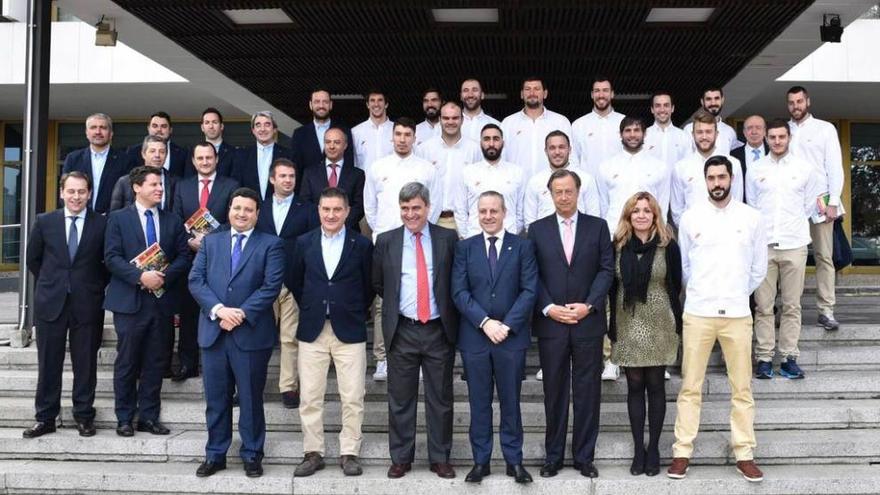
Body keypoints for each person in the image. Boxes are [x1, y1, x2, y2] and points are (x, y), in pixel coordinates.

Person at [668, 155, 766, 483]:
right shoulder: (691, 218)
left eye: (722, 177)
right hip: (698, 312)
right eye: (711, 178)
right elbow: (683, 268)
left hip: (737, 314)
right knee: (690, 387)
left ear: (732, 179)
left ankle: (744, 453)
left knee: (742, 388)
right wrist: (701, 293)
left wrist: (737, 292)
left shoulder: (752, 218)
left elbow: (758, 269)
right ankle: (682, 451)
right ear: (705, 180)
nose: (717, 184)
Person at [188, 187, 285, 478]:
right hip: (214, 333)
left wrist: (240, 313)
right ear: (229, 210)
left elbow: (271, 286)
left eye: (248, 210)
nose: (241, 214)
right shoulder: (211, 242)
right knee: (216, 400)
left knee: (251, 399)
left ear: (257, 214)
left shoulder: (271, 244)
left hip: (250, 334)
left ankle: (252, 454)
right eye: (236, 208)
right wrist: (219, 310)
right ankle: (215, 454)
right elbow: (196, 280)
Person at [528, 169, 614, 479]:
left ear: (578, 192)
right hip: (552, 325)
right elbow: (531, 275)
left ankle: (584, 457)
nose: (564, 197)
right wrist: (549, 307)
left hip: (587, 323)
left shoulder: (598, 227)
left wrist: (588, 306)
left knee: (588, 391)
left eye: (569, 191)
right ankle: (553, 457)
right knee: (554, 391)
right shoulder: (536, 230)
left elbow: (606, 270)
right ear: (550, 195)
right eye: (558, 192)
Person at [372, 182, 459, 479]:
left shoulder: (447, 238)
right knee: (400, 399)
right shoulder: (386, 241)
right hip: (403, 329)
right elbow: (380, 283)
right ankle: (401, 457)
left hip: (438, 329)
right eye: (405, 208)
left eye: (416, 208)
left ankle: (440, 457)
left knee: (441, 398)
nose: (411, 214)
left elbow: (454, 281)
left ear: (428, 208)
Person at [452, 191, 537, 484]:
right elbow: (459, 292)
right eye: (483, 211)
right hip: (475, 338)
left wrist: (507, 325)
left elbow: (529, 290)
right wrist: (485, 322)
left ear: (504, 213)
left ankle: (514, 461)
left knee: (511, 402)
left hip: (511, 339)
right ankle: (481, 461)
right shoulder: (465, 248)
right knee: (479, 403)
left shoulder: (522, 247)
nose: (488, 216)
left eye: (493, 211)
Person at [288, 187, 374, 478]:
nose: (331, 215)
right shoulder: (303, 242)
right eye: (326, 209)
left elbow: (369, 287)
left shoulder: (361, 245)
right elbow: (296, 281)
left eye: (337, 209)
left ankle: (349, 452)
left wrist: (350, 310)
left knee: (353, 395)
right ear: (319, 210)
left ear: (348, 212)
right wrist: (314, 306)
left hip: (349, 329)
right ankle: (313, 452)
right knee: (310, 396)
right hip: (313, 329)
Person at [103, 166, 190, 438]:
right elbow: (111, 257)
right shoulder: (118, 218)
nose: (159, 189)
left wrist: (162, 277)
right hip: (129, 301)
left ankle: (149, 417)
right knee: (128, 361)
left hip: (161, 302)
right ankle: (125, 417)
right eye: (153, 184)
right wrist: (141, 277)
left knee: (156, 361)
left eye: (161, 185)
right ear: (137, 187)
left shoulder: (173, 220)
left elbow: (184, 257)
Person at [24, 171, 108, 439]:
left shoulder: (101, 224)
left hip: (87, 303)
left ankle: (84, 415)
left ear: (89, 194)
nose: (76, 197)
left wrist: (91, 286)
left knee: (85, 364)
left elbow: (106, 263)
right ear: (62, 192)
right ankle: (46, 418)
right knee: (48, 363)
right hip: (51, 303)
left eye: (81, 192)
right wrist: (54, 283)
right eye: (71, 191)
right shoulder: (45, 221)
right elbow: (33, 259)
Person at [608, 191, 682, 477]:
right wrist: (610, 325)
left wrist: (676, 320)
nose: (641, 215)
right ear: (628, 215)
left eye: (647, 210)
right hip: (627, 321)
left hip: (660, 321)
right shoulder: (618, 245)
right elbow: (612, 287)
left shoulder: (667, 244)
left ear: (655, 215)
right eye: (636, 210)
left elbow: (675, 283)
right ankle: (639, 449)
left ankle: (654, 450)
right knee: (634, 386)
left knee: (656, 386)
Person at [365, 118, 444, 381]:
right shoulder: (377, 167)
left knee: (422, 293)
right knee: (384, 303)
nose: (402, 139)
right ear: (392, 137)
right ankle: (383, 358)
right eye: (397, 134)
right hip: (388, 242)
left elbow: (436, 201)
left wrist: (421, 232)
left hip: (420, 241)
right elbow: (370, 207)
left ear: (414, 138)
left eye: (407, 134)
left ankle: (420, 355)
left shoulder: (426, 169)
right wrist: (383, 234)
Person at [596, 116, 671, 381]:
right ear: (621, 134)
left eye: (636, 130)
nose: (632, 134)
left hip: (648, 239)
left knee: (651, 296)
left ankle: (653, 354)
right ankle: (612, 357)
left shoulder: (659, 167)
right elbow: (603, 203)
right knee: (613, 299)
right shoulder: (607, 167)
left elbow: (661, 202)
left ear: (644, 134)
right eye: (627, 130)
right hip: (617, 238)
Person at [747, 120, 817, 379]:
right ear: (765, 138)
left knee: (792, 305)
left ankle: (788, 357)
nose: (777, 141)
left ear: (789, 138)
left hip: (794, 244)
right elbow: (753, 206)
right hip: (764, 245)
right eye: (772, 137)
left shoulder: (804, 169)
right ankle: (764, 358)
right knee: (763, 306)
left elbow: (809, 206)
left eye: (781, 137)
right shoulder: (755, 169)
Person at [170, 142, 240, 382]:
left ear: (216, 159)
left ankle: (222, 367)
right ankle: (188, 364)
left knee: (220, 308)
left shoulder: (231, 185)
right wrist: (190, 240)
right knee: (189, 313)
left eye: (209, 157)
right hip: (190, 256)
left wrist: (210, 241)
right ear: (193, 161)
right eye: (200, 158)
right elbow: (175, 218)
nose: (205, 162)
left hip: (221, 258)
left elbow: (235, 219)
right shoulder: (182, 186)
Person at [255, 158, 319, 408]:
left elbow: (314, 244)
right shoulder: (259, 208)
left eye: (292, 176)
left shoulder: (308, 208)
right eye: (282, 176)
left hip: (294, 281)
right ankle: (252, 385)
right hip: (262, 283)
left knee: (290, 338)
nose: (288, 180)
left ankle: (289, 387)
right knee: (258, 338)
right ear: (272, 179)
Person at [787, 85, 844, 331]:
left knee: (824, 256)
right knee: (792, 260)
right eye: (791, 102)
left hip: (821, 201)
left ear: (807, 102)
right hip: (793, 205)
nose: (795, 106)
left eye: (799, 101)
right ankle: (791, 309)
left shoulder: (825, 129)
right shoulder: (783, 131)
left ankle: (826, 309)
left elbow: (835, 167)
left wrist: (833, 202)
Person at [416, 101, 481, 233]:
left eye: (455, 118)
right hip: (433, 220)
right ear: (439, 120)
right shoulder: (425, 149)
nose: (450, 122)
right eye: (446, 118)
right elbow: (418, 187)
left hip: (466, 222)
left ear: (462, 120)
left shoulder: (475, 149)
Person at [670, 109, 744, 227]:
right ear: (693, 134)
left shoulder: (733, 164)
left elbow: (737, 202)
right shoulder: (681, 167)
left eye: (709, 132)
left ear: (717, 134)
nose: (704, 136)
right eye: (699, 132)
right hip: (693, 235)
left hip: (726, 232)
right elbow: (677, 211)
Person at [454, 124, 525, 238]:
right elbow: (460, 210)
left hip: (509, 240)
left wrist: (511, 236)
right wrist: (468, 237)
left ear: (503, 143)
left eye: (496, 139)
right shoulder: (468, 172)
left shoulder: (517, 172)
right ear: (480, 143)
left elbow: (521, 212)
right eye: (486, 139)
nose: (491, 144)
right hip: (475, 239)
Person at [523, 130, 600, 228]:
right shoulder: (535, 181)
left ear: (570, 149)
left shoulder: (586, 179)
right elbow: (530, 221)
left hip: (580, 238)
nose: (557, 152)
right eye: (552, 148)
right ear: (546, 151)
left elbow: (593, 217)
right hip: (544, 240)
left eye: (561, 147)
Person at [501, 77, 573, 177]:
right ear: (522, 94)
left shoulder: (560, 122)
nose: (532, 93)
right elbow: (501, 157)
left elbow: (571, 157)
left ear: (545, 93)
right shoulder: (508, 123)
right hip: (517, 185)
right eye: (527, 89)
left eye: (537, 89)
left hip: (553, 185)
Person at [61, 113, 131, 214]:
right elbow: (65, 189)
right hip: (80, 218)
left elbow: (127, 195)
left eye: (103, 127)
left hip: (111, 221)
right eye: (93, 127)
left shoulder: (125, 160)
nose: (98, 132)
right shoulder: (73, 158)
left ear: (111, 133)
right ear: (87, 133)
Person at [299, 127, 365, 230]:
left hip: (348, 232)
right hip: (317, 232)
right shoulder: (310, 173)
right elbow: (305, 204)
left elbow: (359, 207)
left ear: (345, 145)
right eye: (328, 142)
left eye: (337, 142)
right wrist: (325, 225)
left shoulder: (357, 174)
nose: (332, 146)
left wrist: (339, 225)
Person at [290, 88, 355, 173]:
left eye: (325, 102)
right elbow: (295, 168)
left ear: (331, 105)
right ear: (310, 105)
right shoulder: (299, 134)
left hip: (338, 186)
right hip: (308, 185)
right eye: (317, 102)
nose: (321, 106)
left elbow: (349, 164)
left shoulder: (344, 132)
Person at [572, 76, 626, 177]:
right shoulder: (578, 125)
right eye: (597, 91)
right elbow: (574, 159)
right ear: (592, 95)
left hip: (619, 185)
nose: (601, 95)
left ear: (612, 94)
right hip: (589, 186)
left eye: (605, 90)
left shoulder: (625, 122)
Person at [233, 111, 293, 200]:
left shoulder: (288, 155)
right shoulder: (242, 155)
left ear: (274, 129)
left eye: (267, 124)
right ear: (253, 130)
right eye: (258, 125)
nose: (262, 129)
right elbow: (237, 185)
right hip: (250, 209)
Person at [109, 135, 177, 212]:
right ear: (143, 154)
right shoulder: (125, 182)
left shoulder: (176, 182)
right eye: (152, 151)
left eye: (162, 152)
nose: (157, 155)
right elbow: (114, 215)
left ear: (166, 155)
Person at [126, 111, 189, 178]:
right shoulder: (133, 151)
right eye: (155, 126)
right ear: (148, 128)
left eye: (163, 126)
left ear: (170, 130)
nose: (159, 129)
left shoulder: (183, 153)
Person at [683, 86, 741, 153]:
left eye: (716, 98)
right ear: (702, 102)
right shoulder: (689, 129)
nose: (713, 103)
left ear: (722, 100)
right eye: (708, 99)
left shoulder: (730, 131)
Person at [352, 89, 394, 174]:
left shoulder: (397, 130)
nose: (376, 104)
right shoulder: (355, 132)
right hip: (365, 185)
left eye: (380, 100)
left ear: (386, 104)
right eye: (372, 100)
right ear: (367, 104)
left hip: (392, 184)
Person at [644, 91, 690, 168]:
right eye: (658, 106)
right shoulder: (644, 136)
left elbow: (688, 165)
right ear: (652, 109)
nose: (662, 110)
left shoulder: (684, 136)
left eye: (666, 105)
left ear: (672, 108)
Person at [730, 115, 768, 195]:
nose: (754, 132)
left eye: (758, 127)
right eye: (750, 128)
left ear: (765, 131)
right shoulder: (733, 155)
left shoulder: (773, 152)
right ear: (744, 132)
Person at [459, 78, 501, 143]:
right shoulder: (448, 125)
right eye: (466, 90)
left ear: (482, 95)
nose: (470, 95)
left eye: (475, 90)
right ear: (461, 96)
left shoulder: (497, 125)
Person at [200, 107, 237, 177]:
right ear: (202, 127)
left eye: (215, 122)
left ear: (221, 126)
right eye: (207, 122)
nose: (211, 126)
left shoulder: (234, 153)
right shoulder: (192, 153)